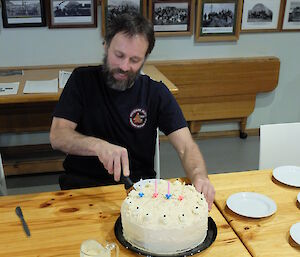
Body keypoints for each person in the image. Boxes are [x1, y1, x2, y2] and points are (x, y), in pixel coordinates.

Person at [49, 13, 215, 210]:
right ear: (106, 46)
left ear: (145, 58)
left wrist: (199, 176)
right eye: (118, 55)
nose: (124, 66)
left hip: (139, 192)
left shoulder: (156, 93)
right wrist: (98, 146)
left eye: (134, 59)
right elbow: (58, 135)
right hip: (81, 188)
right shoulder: (81, 81)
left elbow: (186, 146)